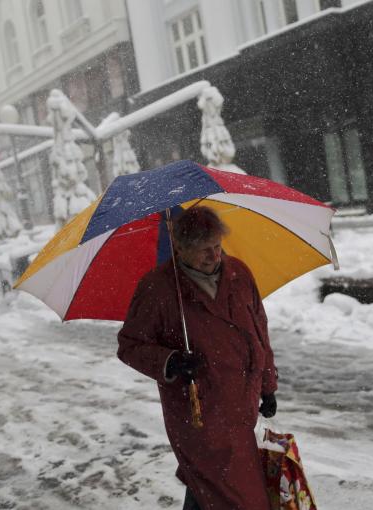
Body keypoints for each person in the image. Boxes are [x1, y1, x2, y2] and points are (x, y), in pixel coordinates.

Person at [117, 206, 278, 509]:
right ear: (179, 247)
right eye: (204, 250)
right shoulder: (159, 288)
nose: (215, 256)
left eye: (217, 246)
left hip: (242, 409)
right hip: (198, 415)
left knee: (215, 492)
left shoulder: (239, 273)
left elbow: (260, 329)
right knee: (236, 497)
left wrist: (268, 384)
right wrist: (170, 360)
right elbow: (129, 346)